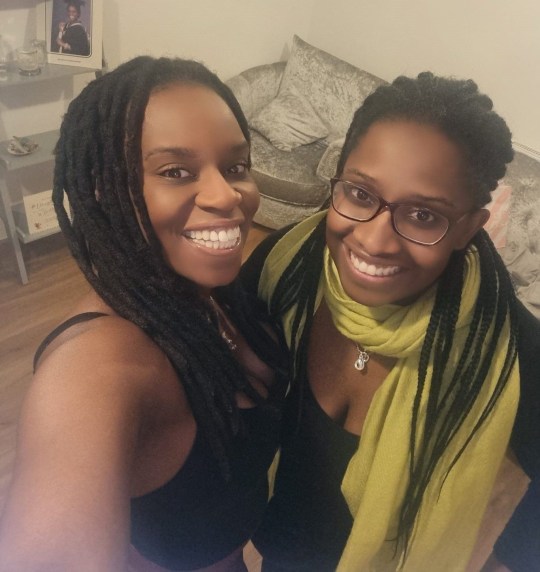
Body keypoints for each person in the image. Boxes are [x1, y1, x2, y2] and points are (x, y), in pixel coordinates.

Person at [241, 72, 540, 571]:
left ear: (468, 227)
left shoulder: (510, 352)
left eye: (423, 215)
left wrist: (509, 560)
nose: (376, 241)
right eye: (359, 194)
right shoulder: (287, 265)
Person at [0, 56, 287, 571]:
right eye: (175, 171)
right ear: (104, 191)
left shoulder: (211, 292)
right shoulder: (94, 371)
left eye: (235, 166)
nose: (228, 195)